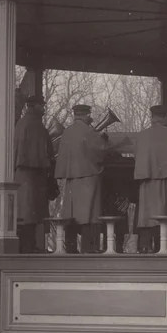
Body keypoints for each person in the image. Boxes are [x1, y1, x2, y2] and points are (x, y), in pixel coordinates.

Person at [133, 104, 167, 252]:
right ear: (166, 117)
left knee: (146, 215)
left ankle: (144, 246)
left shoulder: (142, 135)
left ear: (152, 117)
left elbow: (136, 157)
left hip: (147, 181)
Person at [56, 103, 107, 253]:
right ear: (86, 115)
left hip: (72, 178)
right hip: (89, 177)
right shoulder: (89, 131)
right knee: (90, 214)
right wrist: (103, 139)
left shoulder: (67, 132)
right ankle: (89, 248)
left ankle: (70, 246)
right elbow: (100, 151)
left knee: (71, 213)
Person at [14, 94, 54, 254]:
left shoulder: (22, 123)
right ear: (33, 106)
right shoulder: (35, 125)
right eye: (41, 105)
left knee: (26, 212)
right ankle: (28, 246)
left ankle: (27, 245)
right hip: (32, 175)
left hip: (23, 174)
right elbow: (46, 151)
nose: (44, 109)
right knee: (30, 213)